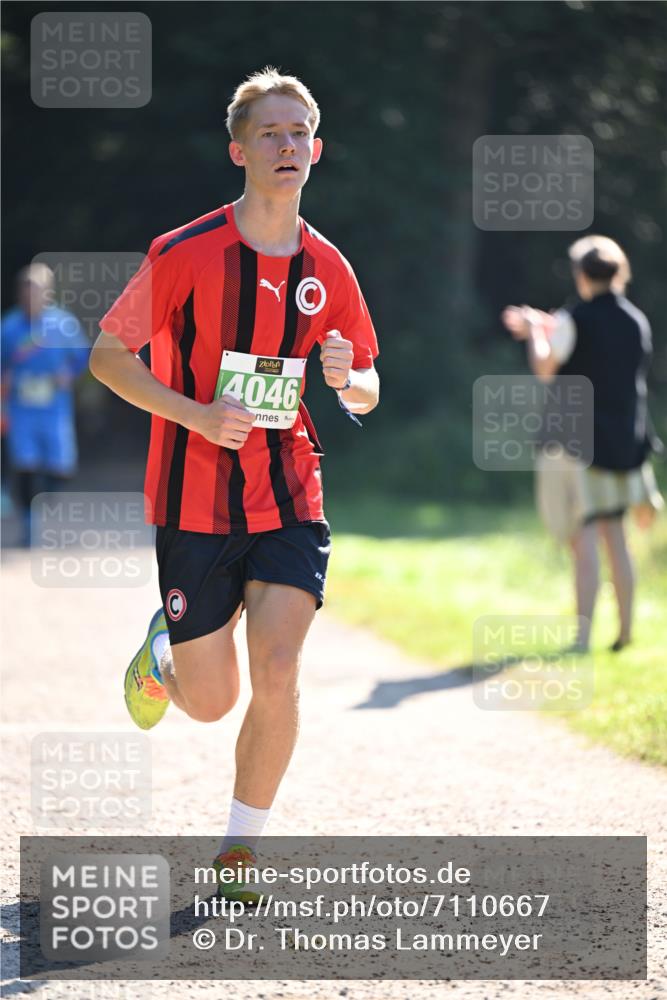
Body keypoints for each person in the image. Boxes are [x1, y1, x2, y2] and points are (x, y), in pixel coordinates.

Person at [90, 68, 380, 897]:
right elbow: (108, 357)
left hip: (290, 493)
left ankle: (238, 850)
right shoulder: (185, 252)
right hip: (194, 502)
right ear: (239, 151)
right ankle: (163, 657)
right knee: (213, 701)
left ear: (316, 151)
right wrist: (193, 414)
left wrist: (346, 378)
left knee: (280, 670)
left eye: (299, 134)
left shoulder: (329, 267)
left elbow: (367, 385)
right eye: (269, 134)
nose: (286, 146)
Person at [502, 235, 663, 653]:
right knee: (617, 537)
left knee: (584, 538)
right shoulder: (636, 320)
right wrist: (550, 324)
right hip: (623, 442)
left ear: (580, 274)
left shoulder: (575, 318)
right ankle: (625, 633)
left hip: (578, 443)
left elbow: (546, 368)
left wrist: (536, 333)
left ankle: (583, 638)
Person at [1, 263, 89, 545]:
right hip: (21, 408)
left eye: (36, 290)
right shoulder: (9, 327)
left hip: (54, 408)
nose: (30, 296)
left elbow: (83, 356)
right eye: (25, 290)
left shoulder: (63, 324)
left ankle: (41, 506)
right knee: (25, 465)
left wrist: (69, 374)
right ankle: (29, 525)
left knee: (60, 468)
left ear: (48, 293)